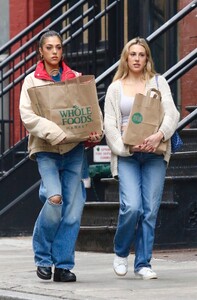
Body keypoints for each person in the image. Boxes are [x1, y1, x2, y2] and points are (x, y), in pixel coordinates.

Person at [19, 30, 102, 282]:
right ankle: (43, 257)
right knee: (55, 199)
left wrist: (95, 133)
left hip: (75, 150)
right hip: (46, 150)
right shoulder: (31, 81)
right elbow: (28, 116)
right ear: (40, 52)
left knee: (73, 211)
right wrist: (55, 132)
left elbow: (91, 111)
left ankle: (63, 265)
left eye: (58, 47)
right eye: (49, 48)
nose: (55, 52)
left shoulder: (76, 78)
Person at [104, 37, 180, 280]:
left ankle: (143, 263)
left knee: (149, 209)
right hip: (128, 155)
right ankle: (120, 252)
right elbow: (110, 125)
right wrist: (125, 148)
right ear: (126, 58)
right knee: (132, 207)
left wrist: (159, 136)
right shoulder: (115, 88)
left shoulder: (158, 82)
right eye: (132, 54)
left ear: (147, 58)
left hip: (154, 155)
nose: (137, 58)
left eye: (141, 54)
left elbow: (172, 113)